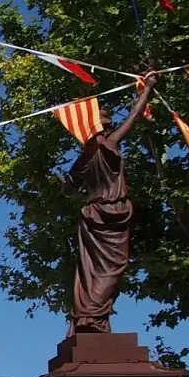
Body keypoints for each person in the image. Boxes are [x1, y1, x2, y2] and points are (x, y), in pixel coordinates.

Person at [65, 75, 155, 334]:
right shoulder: (109, 144)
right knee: (110, 268)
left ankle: (89, 316)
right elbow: (134, 116)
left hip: (92, 214)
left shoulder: (83, 159)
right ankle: (92, 315)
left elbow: (68, 188)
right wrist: (147, 88)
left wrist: (60, 183)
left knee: (91, 268)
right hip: (112, 211)